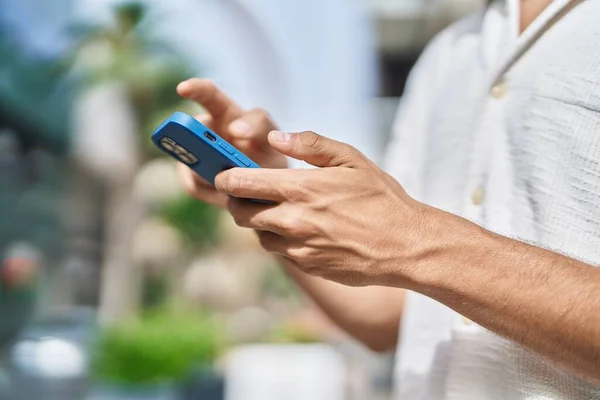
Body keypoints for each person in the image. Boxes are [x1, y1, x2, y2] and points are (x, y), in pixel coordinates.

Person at [175, 0, 600, 397]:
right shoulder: (449, 53)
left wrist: (413, 240)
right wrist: (270, 195)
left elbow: (408, 249)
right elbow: (388, 316)